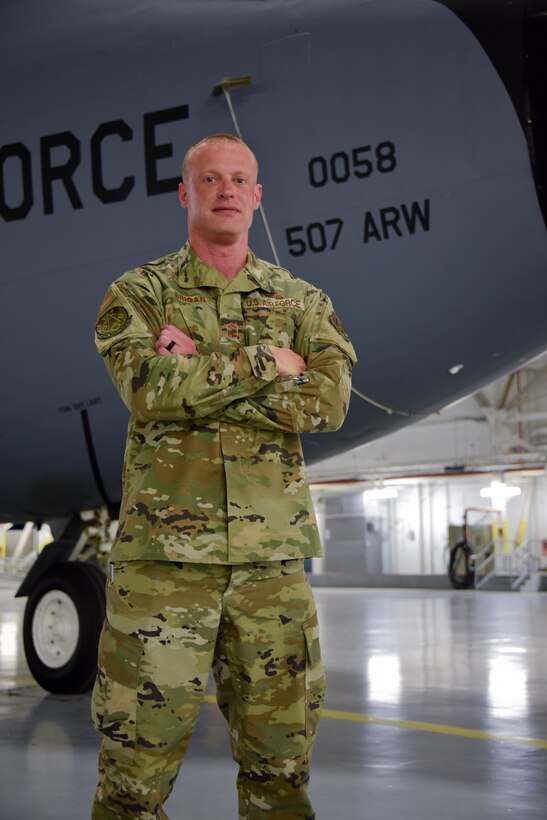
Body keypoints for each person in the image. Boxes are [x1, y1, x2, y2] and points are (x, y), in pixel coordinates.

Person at [92, 133, 357, 819]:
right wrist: (267, 363)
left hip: (271, 571)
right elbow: (147, 389)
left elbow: (327, 403)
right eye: (210, 179)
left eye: (240, 179)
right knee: (132, 783)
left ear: (258, 195)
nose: (226, 190)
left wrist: (196, 369)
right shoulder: (139, 294)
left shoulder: (302, 302)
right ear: (185, 193)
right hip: (163, 568)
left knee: (281, 776)